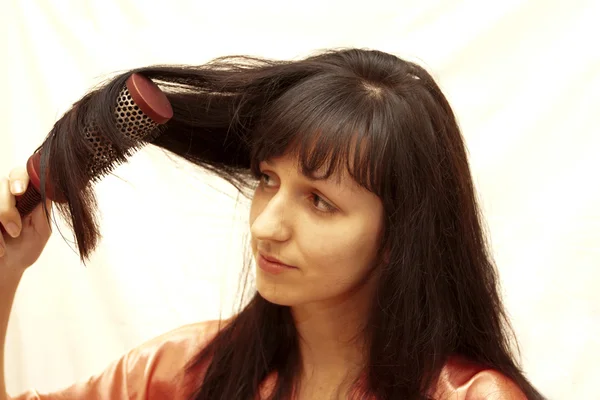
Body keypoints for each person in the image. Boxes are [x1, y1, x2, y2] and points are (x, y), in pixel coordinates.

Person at [0, 49, 545, 399]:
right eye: (267, 180)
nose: (267, 226)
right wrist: (5, 272)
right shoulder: (183, 371)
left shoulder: (469, 397)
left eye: (320, 201)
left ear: (400, 235)